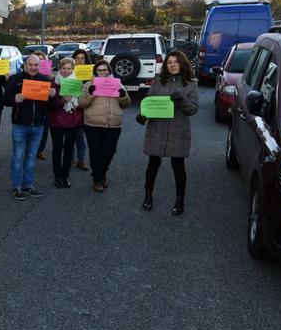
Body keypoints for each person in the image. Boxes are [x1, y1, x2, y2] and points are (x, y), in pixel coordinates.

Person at [136, 51, 199, 215]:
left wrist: (182, 99)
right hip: (157, 129)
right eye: (169, 62)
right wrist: (143, 116)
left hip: (178, 131)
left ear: (182, 64)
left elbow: (193, 109)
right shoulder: (158, 82)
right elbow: (149, 104)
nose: (172, 64)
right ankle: (148, 195)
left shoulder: (191, 84)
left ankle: (180, 200)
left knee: (178, 166)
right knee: (152, 164)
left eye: (175, 62)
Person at [3, 54, 55, 200]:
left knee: (31, 157)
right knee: (18, 156)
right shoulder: (15, 79)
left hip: (38, 125)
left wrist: (52, 95)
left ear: (40, 66)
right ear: (25, 64)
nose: (33, 67)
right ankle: (17, 187)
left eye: (36, 65)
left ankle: (28, 185)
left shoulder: (45, 80)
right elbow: (5, 100)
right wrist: (14, 99)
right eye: (30, 64)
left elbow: (50, 105)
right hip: (20, 124)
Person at [79, 59, 131, 193]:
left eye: (105, 70)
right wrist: (90, 93)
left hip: (113, 124)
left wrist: (123, 96)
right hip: (93, 124)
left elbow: (126, 104)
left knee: (109, 152)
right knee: (95, 152)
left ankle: (101, 173)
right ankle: (98, 179)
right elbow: (81, 104)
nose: (102, 72)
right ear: (95, 71)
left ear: (109, 71)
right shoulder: (88, 84)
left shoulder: (117, 83)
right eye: (99, 70)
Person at [47, 58, 84, 189]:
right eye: (63, 68)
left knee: (69, 150)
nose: (66, 71)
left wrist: (78, 99)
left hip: (73, 121)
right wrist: (62, 100)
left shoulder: (79, 82)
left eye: (69, 68)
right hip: (57, 121)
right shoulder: (53, 83)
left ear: (73, 69)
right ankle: (57, 176)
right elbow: (49, 104)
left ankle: (65, 175)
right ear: (59, 68)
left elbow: (83, 103)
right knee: (57, 150)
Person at [71, 48, 91, 171]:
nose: (80, 61)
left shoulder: (90, 73)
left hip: (85, 108)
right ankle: (71, 157)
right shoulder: (69, 71)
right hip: (71, 107)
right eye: (77, 58)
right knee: (71, 135)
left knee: (80, 136)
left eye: (82, 58)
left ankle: (81, 160)